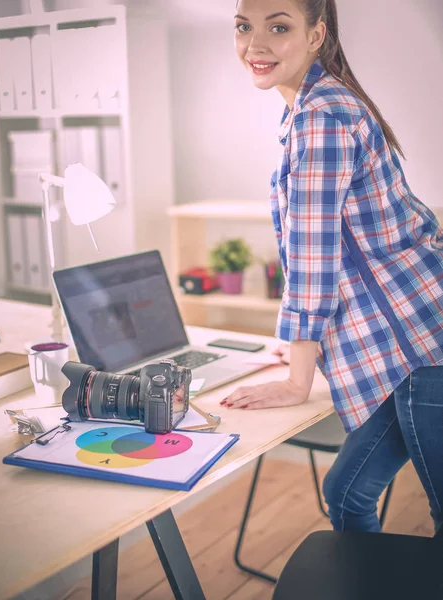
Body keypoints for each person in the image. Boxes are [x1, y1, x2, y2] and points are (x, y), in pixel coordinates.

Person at [221, 0, 443, 534]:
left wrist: (299, 380)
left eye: (279, 27)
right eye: (244, 27)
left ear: (317, 34)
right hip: (412, 338)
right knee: (347, 492)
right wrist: (301, 342)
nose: (256, 44)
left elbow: (313, 255)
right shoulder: (314, 106)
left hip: (422, 348)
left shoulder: (322, 116)